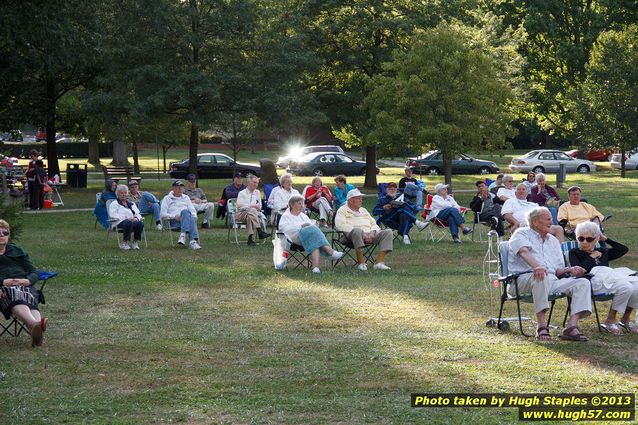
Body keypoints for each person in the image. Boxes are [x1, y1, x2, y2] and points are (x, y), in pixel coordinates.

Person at [508, 207, 592, 342]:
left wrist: (569, 270)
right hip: (522, 280)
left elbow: (557, 269)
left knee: (583, 283)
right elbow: (523, 251)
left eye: (551, 219)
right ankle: (541, 325)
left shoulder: (552, 241)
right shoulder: (521, 233)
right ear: (535, 222)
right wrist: (537, 267)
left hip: (551, 280)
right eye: (548, 219)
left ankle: (571, 326)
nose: (551, 222)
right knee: (541, 275)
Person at [569, 221, 637, 335]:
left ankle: (625, 318)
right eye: (581, 238)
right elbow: (579, 271)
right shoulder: (574, 252)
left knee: (636, 286)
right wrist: (592, 257)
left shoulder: (602, 251)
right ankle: (610, 321)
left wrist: (605, 239)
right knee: (626, 287)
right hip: (590, 284)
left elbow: (623, 249)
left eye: (589, 239)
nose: (584, 242)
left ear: (596, 239)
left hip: (609, 281)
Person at [0, 220, 47, 347]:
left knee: (28, 293)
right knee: (14, 292)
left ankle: (35, 327)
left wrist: (28, 280)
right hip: (3, 289)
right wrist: (3, 281)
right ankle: (35, 324)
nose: (2, 235)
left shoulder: (17, 251)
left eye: (5, 232)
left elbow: (33, 271)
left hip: (24, 285)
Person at [278, 195, 344, 273]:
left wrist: (307, 227)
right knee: (312, 232)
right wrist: (301, 226)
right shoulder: (286, 216)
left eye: (302, 204)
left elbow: (310, 227)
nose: (302, 206)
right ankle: (330, 252)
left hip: (307, 238)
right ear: (292, 205)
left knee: (313, 238)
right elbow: (285, 229)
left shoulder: (303, 216)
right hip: (292, 239)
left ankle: (315, 268)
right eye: (299, 204)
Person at [334, 189, 393, 271]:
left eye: (361, 198)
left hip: (369, 235)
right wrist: (363, 233)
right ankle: (361, 263)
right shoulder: (342, 210)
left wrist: (373, 232)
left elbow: (373, 223)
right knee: (357, 231)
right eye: (359, 198)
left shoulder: (363, 210)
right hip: (349, 237)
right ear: (351, 200)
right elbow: (341, 226)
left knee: (388, 232)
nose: (361, 200)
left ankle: (379, 263)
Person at [160, 180, 201, 250]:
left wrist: (193, 217)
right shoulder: (167, 198)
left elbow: (193, 211)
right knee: (186, 213)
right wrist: (174, 216)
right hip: (173, 222)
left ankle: (183, 235)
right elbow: (162, 214)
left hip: (187, 220)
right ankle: (193, 242)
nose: (180, 189)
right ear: (173, 188)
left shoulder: (186, 198)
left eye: (181, 188)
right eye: (177, 188)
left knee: (186, 213)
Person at [236, 174, 269, 246]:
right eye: (254, 182)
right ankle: (259, 231)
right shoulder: (242, 193)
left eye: (257, 183)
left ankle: (250, 239)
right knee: (252, 210)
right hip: (241, 214)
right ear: (248, 182)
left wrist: (252, 207)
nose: (256, 184)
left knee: (250, 215)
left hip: (252, 215)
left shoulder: (257, 192)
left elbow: (259, 207)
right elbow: (239, 206)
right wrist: (252, 206)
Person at [109, 185, 145, 250]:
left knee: (140, 223)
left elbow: (138, 214)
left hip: (132, 222)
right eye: (121, 193)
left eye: (125, 193)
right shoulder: (114, 204)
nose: (123, 194)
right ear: (117, 194)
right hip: (118, 223)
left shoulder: (131, 203)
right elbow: (113, 215)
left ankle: (135, 242)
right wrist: (128, 218)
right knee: (128, 222)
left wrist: (136, 218)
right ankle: (124, 242)